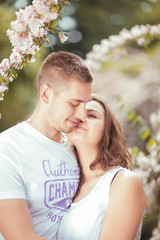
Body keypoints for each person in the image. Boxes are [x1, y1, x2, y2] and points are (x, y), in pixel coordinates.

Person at [0, 51, 93, 240]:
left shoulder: (77, 147)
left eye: (86, 105)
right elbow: (21, 237)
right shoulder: (7, 149)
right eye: (74, 103)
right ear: (46, 93)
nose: (82, 115)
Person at [57, 94, 146, 240]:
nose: (80, 118)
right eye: (75, 114)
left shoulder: (123, 181)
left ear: (108, 131)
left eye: (92, 115)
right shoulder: (66, 186)